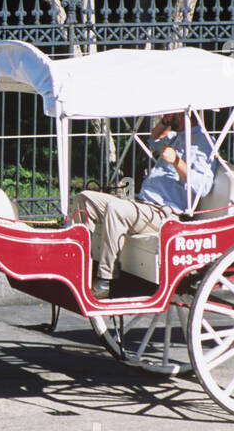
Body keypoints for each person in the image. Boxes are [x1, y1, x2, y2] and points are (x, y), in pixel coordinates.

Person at [73, 112, 215, 298]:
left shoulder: (202, 142)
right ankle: (79, 264)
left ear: (183, 113)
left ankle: (106, 280)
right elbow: (153, 138)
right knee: (84, 199)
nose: (164, 114)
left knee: (117, 209)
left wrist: (177, 162)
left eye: (169, 111)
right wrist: (167, 121)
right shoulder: (175, 137)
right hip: (143, 205)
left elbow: (203, 187)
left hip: (163, 213)